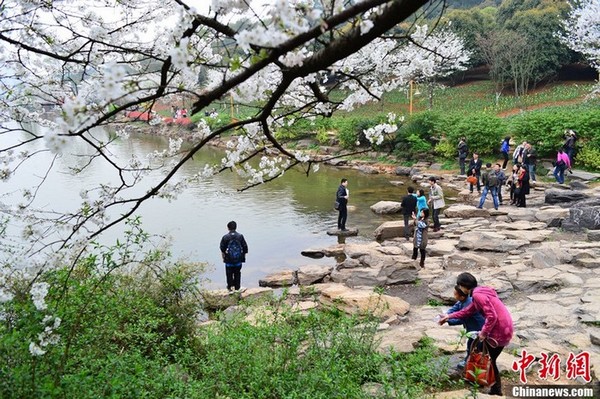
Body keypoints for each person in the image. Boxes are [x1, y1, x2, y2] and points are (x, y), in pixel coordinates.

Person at [438, 272, 514, 396]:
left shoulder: (478, 295)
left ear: (463, 286)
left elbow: (492, 316)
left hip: (499, 330)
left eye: (459, 285)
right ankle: (491, 386)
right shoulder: (480, 292)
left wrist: (483, 333)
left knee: (490, 360)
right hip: (505, 327)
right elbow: (468, 311)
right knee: (490, 359)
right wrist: (448, 316)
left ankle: (496, 390)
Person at [443, 285, 485, 369]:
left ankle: (471, 362)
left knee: (474, 345)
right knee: (472, 343)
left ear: (462, 296)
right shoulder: (462, 300)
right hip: (471, 327)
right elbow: (455, 308)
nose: (454, 295)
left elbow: (461, 319)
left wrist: (448, 320)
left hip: (478, 328)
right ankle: (471, 359)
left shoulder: (468, 303)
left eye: (455, 294)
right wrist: (446, 315)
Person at [219, 221, 248, 292]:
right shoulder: (240, 236)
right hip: (238, 260)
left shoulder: (225, 237)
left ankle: (230, 288)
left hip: (229, 260)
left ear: (228, 228)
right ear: (236, 227)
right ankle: (237, 287)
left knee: (229, 274)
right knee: (237, 273)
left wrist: (223, 257)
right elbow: (245, 248)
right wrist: (243, 257)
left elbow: (222, 248)